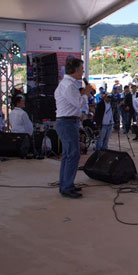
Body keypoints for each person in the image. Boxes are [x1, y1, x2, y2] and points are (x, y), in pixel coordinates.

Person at [54, 58, 93, 199]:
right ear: (76, 70)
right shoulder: (69, 86)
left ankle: (66, 184)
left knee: (68, 154)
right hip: (67, 122)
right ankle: (66, 186)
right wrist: (85, 93)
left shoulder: (67, 84)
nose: (83, 71)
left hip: (68, 122)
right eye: (82, 68)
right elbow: (78, 103)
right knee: (73, 154)